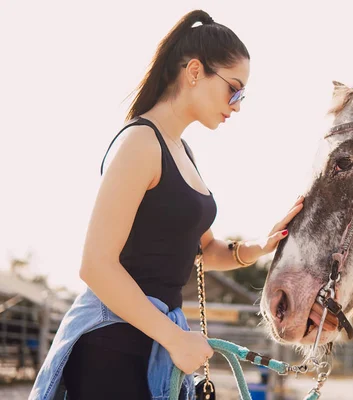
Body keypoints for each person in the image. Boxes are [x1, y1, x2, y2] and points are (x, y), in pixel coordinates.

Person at [29, 9, 303, 400]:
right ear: (195, 71)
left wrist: (261, 246)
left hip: (150, 350)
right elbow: (96, 265)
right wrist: (175, 338)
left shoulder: (182, 152)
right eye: (234, 90)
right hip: (112, 350)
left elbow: (204, 250)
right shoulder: (140, 143)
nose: (238, 105)